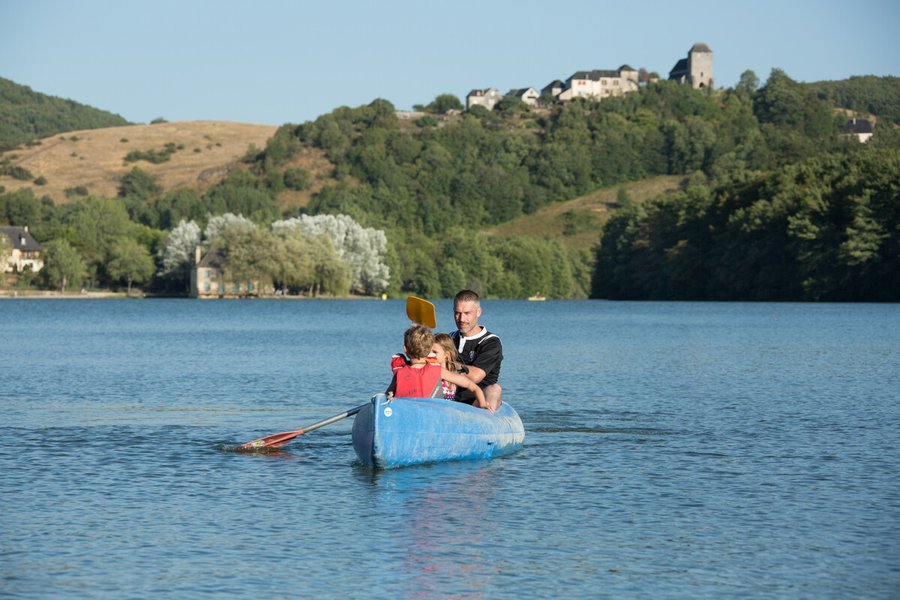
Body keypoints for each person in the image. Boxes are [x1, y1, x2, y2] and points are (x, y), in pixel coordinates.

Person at [387, 324, 491, 411]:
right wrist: (482, 404)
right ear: (428, 351)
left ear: (405, 349)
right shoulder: (439, 371)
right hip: (436, 414)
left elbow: (388, 395)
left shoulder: (400, 373)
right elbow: (473, 386)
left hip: (420, 413)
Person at [449, 289, 503, 411]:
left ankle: (488, 424)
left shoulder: (491, 342)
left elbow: (475, 376)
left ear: (478, 312)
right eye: (457, 313)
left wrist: (445, 365)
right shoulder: (448, 339)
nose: (461, 319)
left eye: (467, 313)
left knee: (495, 389)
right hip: (448, 401)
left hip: (478, 402)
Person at [432, 333, 463, 401]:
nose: (430, 354)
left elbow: (471, 386)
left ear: (446, 354)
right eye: (428, 351)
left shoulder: (454, 375)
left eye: (434, 352)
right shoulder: (428, 372)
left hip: (449, 410)